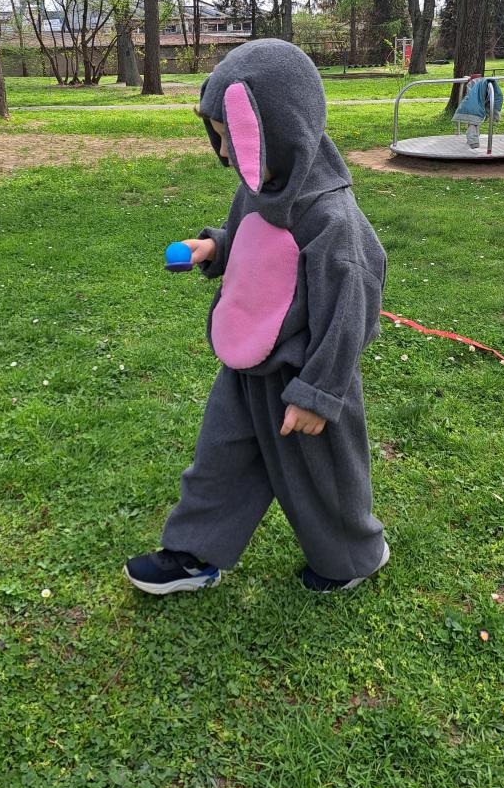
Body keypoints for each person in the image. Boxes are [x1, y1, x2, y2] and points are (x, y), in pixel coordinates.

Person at [124, 39, 389, 594]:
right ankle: (194, 555)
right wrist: (214, 247)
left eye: (234, 137)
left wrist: (318, 393)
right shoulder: (259, 187)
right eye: (218, 136)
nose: (224, 153)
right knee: (219, 459)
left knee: (324, 479)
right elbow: (259, 245)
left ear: (282, 130)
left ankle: (351, 557)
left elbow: (350, 312)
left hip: (303, 377)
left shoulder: (332, 218)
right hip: (247, 364)